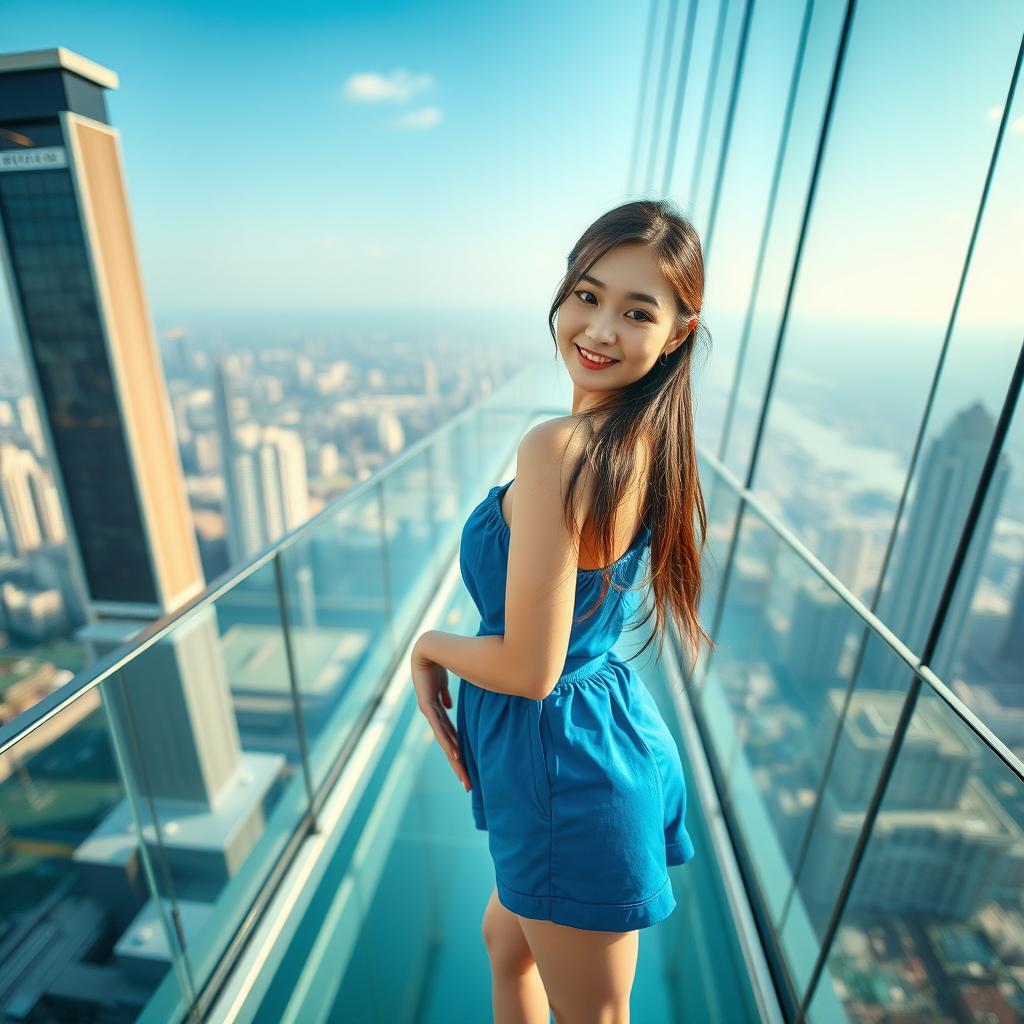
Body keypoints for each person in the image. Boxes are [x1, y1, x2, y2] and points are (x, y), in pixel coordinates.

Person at [410, 198, 716, 1023]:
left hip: (564, 766)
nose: (600, 328)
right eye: (587, 294)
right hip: (597, 735)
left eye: (636, 311)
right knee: (506, 947)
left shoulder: (559, 448)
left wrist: (429, 645)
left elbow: (530, 667)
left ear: (677, 334)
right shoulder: (646, 444)